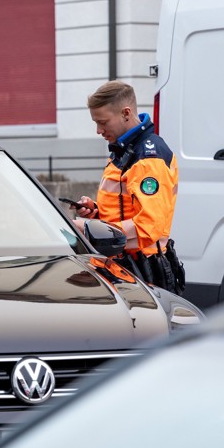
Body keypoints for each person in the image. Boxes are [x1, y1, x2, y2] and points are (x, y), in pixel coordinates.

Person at [72, 80, 184, 293]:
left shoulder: (148, 156)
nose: (98, 130)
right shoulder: (126, 150)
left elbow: (148, 227)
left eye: (103, 122)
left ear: (125, 113)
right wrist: (96, 212)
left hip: (143, 271)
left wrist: (88, 229)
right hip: (126, 268)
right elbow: (125, 207)